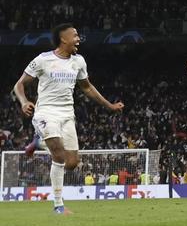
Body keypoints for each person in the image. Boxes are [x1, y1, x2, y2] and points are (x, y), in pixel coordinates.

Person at [12, 23, 125, 214]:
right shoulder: (43, 60)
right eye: (75, 35)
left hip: (67, 114)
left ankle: (39, 143)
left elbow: (87, 87)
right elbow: (19, 84)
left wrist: (110, 106)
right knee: (58, 155)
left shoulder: (78, 61)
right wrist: (23, 101)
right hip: (46, 112)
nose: (78, 39)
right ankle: (58, 205)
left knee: (71, 163)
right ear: (63, 38)